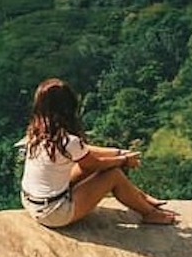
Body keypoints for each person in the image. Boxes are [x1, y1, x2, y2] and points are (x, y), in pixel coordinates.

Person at [19, 78, 177, 228]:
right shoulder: (68, 141)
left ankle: (140, 197)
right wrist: (122, 160)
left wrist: (118, 153)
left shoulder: (37, 133)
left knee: (87, 167)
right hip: (54, 213)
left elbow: (84, 152)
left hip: (32, 202)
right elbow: (96, 164)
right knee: (113, 174)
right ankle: (149, 213)